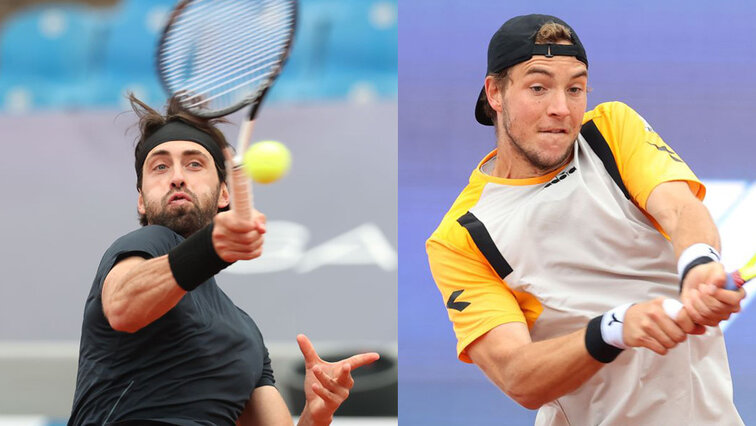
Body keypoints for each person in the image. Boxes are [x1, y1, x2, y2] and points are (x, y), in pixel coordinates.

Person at [426, 14, 746, 425]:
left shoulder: (610, 132)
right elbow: (517, 375)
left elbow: (681, 208)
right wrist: (611, 330)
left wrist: (699, 263)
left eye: (575, 89)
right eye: (538, 88)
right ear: (495, 93)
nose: (561, 108)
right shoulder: (462, 236)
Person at [69, 95, 379, 425]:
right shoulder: (146, 244)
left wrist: (316, 413)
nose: (177, 177)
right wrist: (211, 247)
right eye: (160, 166)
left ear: (223, 195)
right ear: (142, 201)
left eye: (194, 164)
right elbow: (121, 307)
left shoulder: (244, 331)